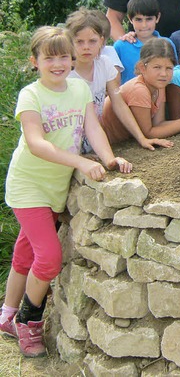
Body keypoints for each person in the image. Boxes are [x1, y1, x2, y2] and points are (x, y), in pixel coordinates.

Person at [0, 27, 132, 357]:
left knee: (27, 252)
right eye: (49, 57)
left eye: (63, 56)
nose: (58, 63)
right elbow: (37, 143)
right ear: (35, 61)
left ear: (72, 60)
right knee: (49, 258)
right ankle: (28, 323)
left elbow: (92, 127)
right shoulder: (31, 96)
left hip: (55, 187)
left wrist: (109, 158)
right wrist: (80, 162)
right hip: (29, 185)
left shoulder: (77, 89)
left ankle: (6, 315)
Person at [65, 8, 173, 152]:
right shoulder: (66, 73)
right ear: (69, 42)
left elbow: (118, 102)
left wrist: (141, 138)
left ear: (101, 41)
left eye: (92, 41)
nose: (86, 47)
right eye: (79, 42)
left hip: (93, 139)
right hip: (69, 142)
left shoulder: (104, 64)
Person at [101, 38, 180, 144]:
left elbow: (159, 124)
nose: (163, 74)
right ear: (142, 67)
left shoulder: (159, 86)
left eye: (169, 68)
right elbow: (148, 133)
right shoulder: (139, 90)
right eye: (157, 67)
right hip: (106, 142)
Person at [114, 0, 177, 84]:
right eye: (138, 19)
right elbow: (113, 81)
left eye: (149, 19)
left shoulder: (167, 44)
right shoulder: (120, 46)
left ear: (157, 17)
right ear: (130, 19)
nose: (144, 25)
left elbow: (174, 74)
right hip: (128, 97)